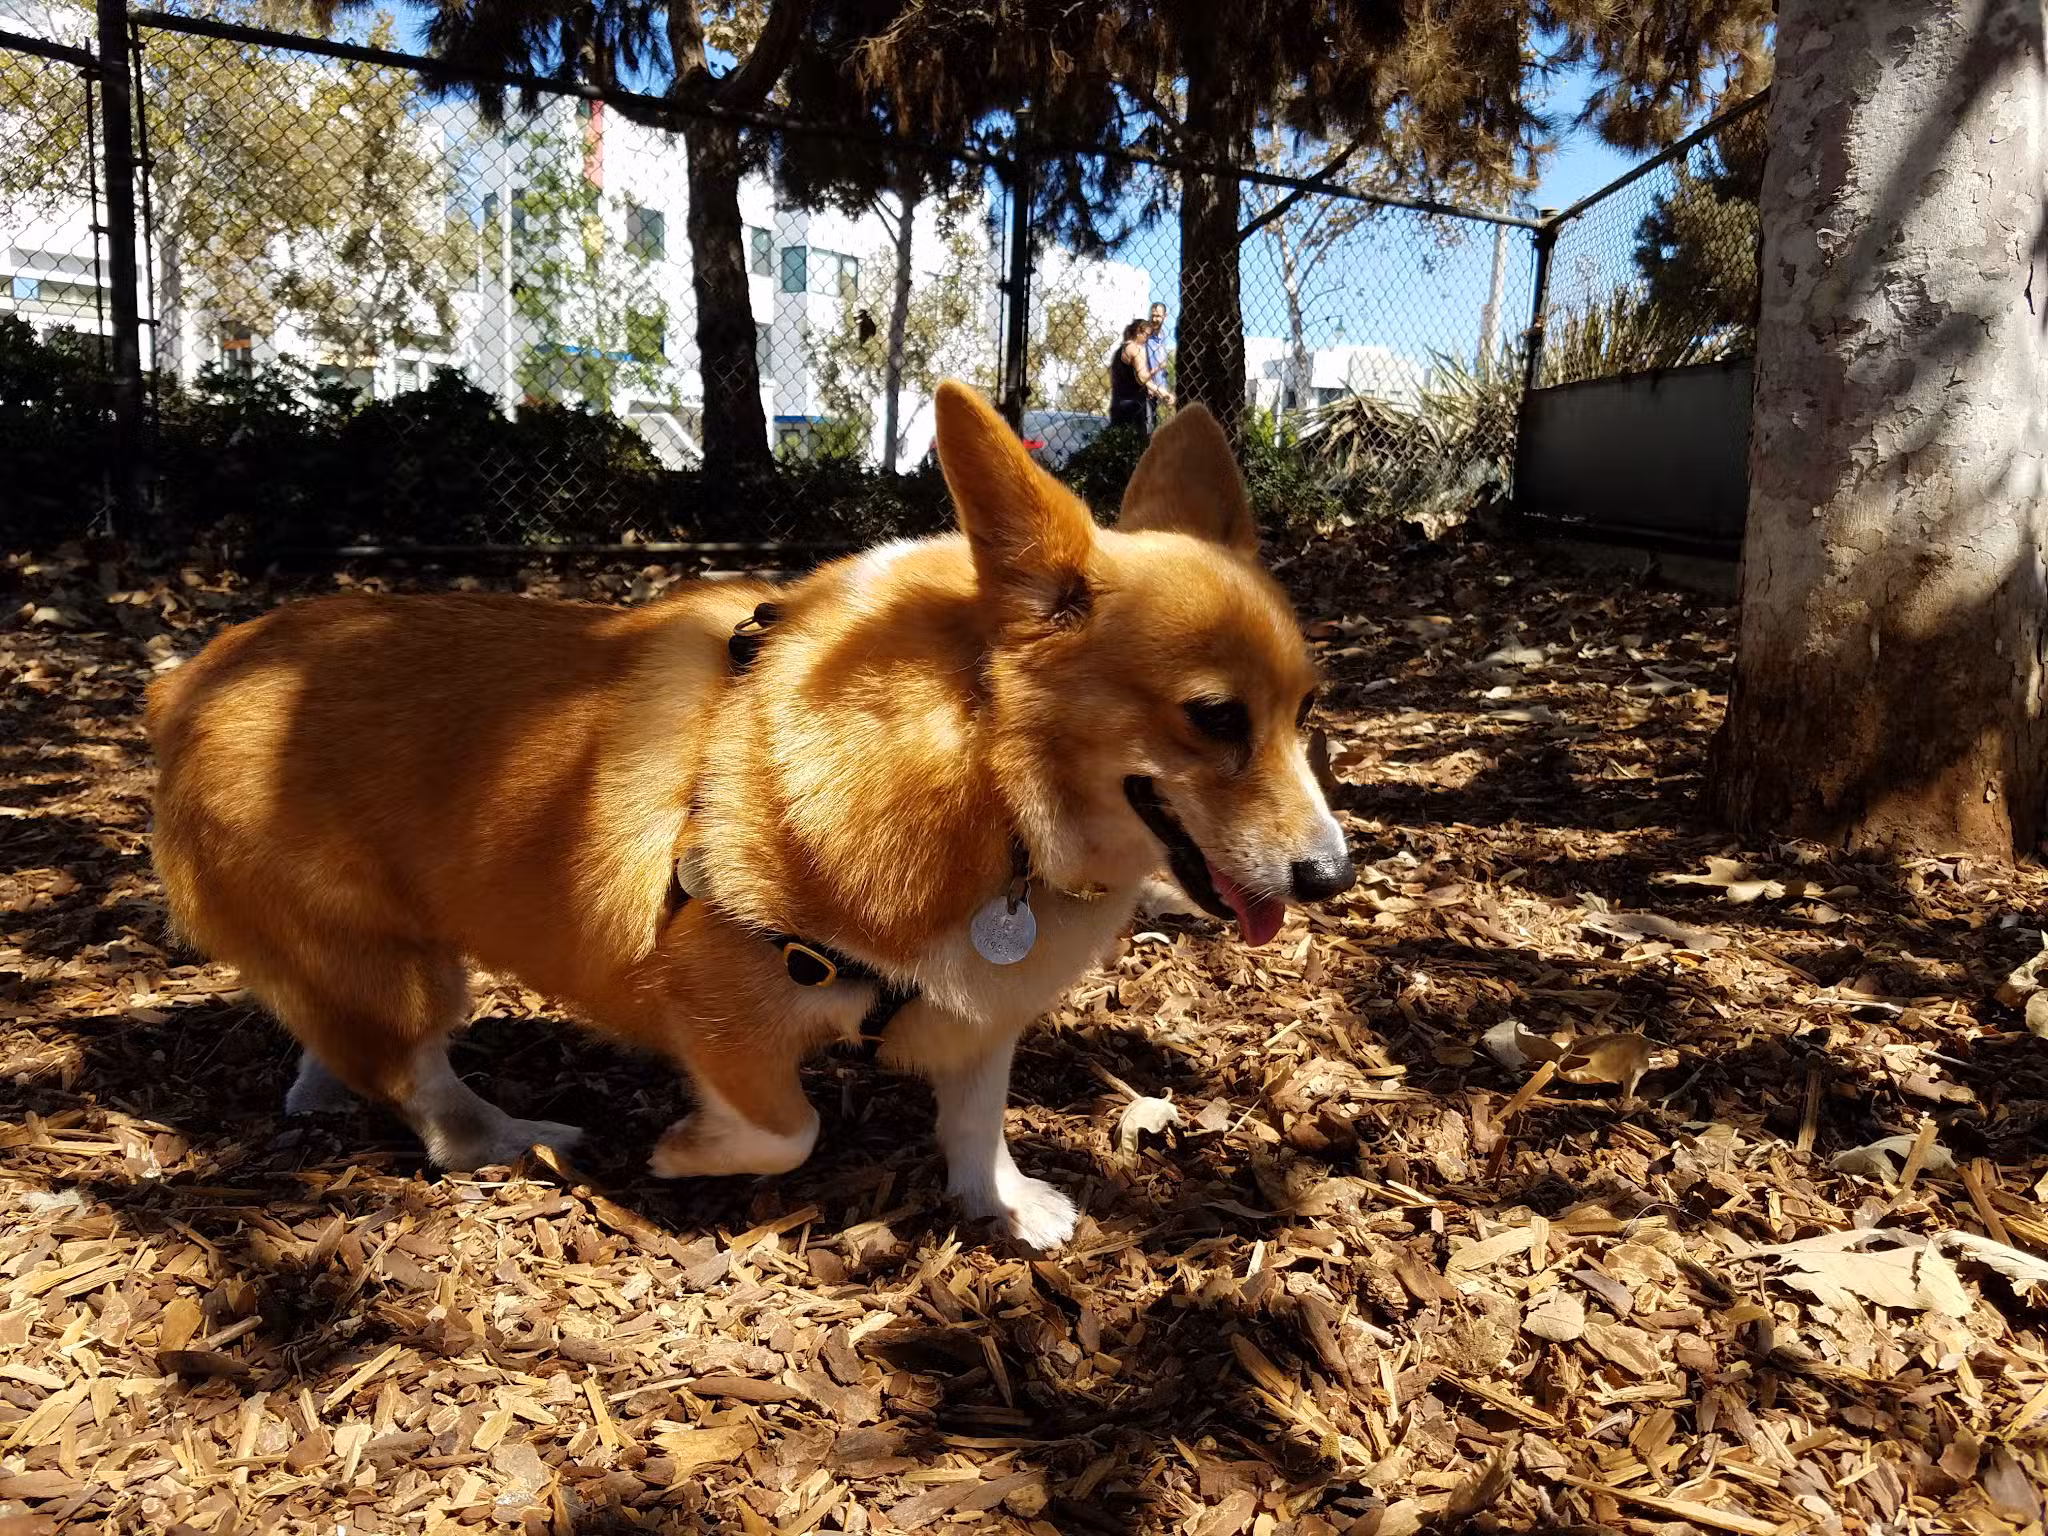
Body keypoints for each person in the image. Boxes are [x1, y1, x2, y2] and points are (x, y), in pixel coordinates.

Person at [1108, 318, 1152, 435]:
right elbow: (1142, 377)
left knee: (1117, 440)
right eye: (1146, 335)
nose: (1147, 339)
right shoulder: (1136, 349)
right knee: (1137, 444)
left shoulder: (1118, 352)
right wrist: (1161, 391)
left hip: (1117, 402)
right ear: (1138, 332)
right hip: (1134, 404)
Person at [1144, 303, 1172, 427]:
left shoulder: (1163, 336)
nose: (1154, 319)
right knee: (1147, 428)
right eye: (1153, 315)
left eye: (1158, 316)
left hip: (1157, 391)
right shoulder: (1145, 335)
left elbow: (1162, 365)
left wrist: (1164, 389)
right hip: (1145, 390)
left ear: (1165, 317)